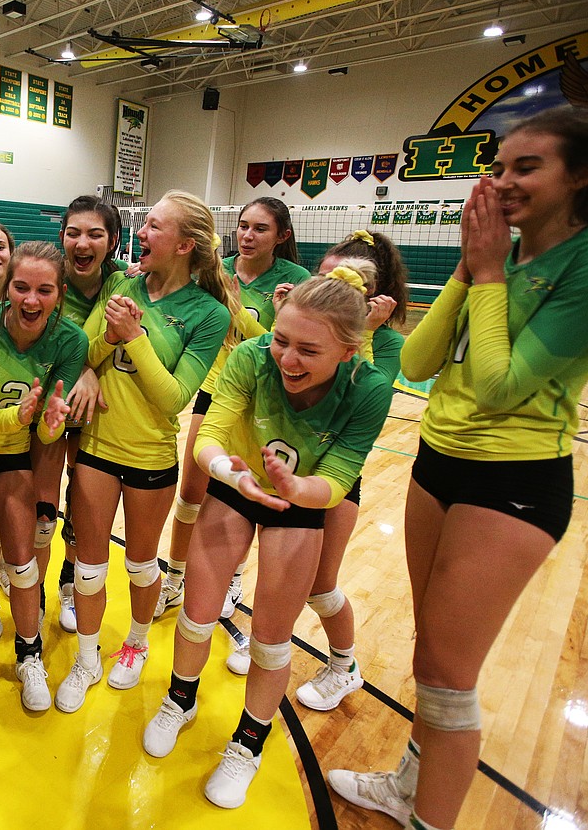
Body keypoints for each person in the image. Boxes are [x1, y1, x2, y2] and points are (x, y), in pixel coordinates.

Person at [329, 107, 588, 830]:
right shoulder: (494, 260)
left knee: (447, 677)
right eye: (500, 166)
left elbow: (505, 386)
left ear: (586, 174)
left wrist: (490, 272)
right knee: (431, 653)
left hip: (513, 485)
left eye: (526, 167)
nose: (503, 181)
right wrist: (477, 270)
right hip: (438, 464)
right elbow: (416, 361)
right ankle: (409, 784)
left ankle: (429, 819)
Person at [142, 263, 393, 812]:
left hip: (300, 499)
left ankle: (247, 744)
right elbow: (208, 434)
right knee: (198, 613)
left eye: (308, 350)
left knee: (272, 637)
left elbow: (340, 478)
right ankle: (179, 700)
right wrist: (234, 475)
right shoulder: (249, 359)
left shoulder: (370, 389)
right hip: (238, 481)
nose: (287, 358)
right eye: (281, 339)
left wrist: (295, 487)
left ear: (348, 352)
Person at [54, 190, 234, 713]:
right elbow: (83, 352)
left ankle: (134, 643)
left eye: (153, 226)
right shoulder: (122, 285)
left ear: (183, 244)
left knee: (138, 564)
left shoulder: (208, 314)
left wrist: (133, 337)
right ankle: (88, 658)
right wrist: (108, 340)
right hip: (96, 447)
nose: (143, 233)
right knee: (88, 566)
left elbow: (174, 398)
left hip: (151, 457)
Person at [236, 230, 407, 697]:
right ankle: (256, 627)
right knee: (264, 561)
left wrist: (366, 334)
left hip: (332, 474)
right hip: (279, 463)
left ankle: (344, 664)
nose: (333, 289)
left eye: (348, 284)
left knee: (320, 586)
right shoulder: (292, 337)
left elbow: (365, 389)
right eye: (325, 277)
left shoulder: (384, 344)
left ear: (372, 295)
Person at [159, 198, 308, 629]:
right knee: (191, 493)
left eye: (260, 228)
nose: (247, 235)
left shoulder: (296, 281)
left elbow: (285, 345)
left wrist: (240, 311)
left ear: (282, 235)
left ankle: (234, 579)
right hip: (214, 389)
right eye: (243, 226)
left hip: (263, 400)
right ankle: (174, 576)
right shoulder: (216, 269)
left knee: (244, 499)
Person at [0, 242, 86, 710]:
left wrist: (49, 424)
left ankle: (30, 657)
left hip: (13, 457)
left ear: (60, 294)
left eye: (44, 290)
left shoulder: (70, 341)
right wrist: (20, 418)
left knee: (24, 565)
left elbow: (50, 428)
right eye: (21, 287)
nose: (31, 299)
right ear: (5, 288)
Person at [43, 196, 124, 635]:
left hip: (98, 413)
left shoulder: (125, 282)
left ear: (111, 241)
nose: (82, 242)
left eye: (94, 234)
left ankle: (68, 586)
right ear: (62, 236)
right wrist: (85, 367)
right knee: (40, 503)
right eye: (74, 232)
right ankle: (26, 583)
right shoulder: (47, 279)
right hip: (49, 408)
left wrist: (93, 371)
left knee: (81, 503)